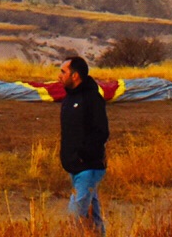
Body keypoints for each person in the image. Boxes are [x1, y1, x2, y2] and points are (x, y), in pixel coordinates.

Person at [57, 56, 109, 234]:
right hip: (74, 166)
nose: (59, 76)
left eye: (63, 72)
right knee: (93, 217)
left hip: (88, 167)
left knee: (75, 217)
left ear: (75, 75)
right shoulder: (69, 99)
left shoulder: (92, 98)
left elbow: (102, 132)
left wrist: (83, 155)